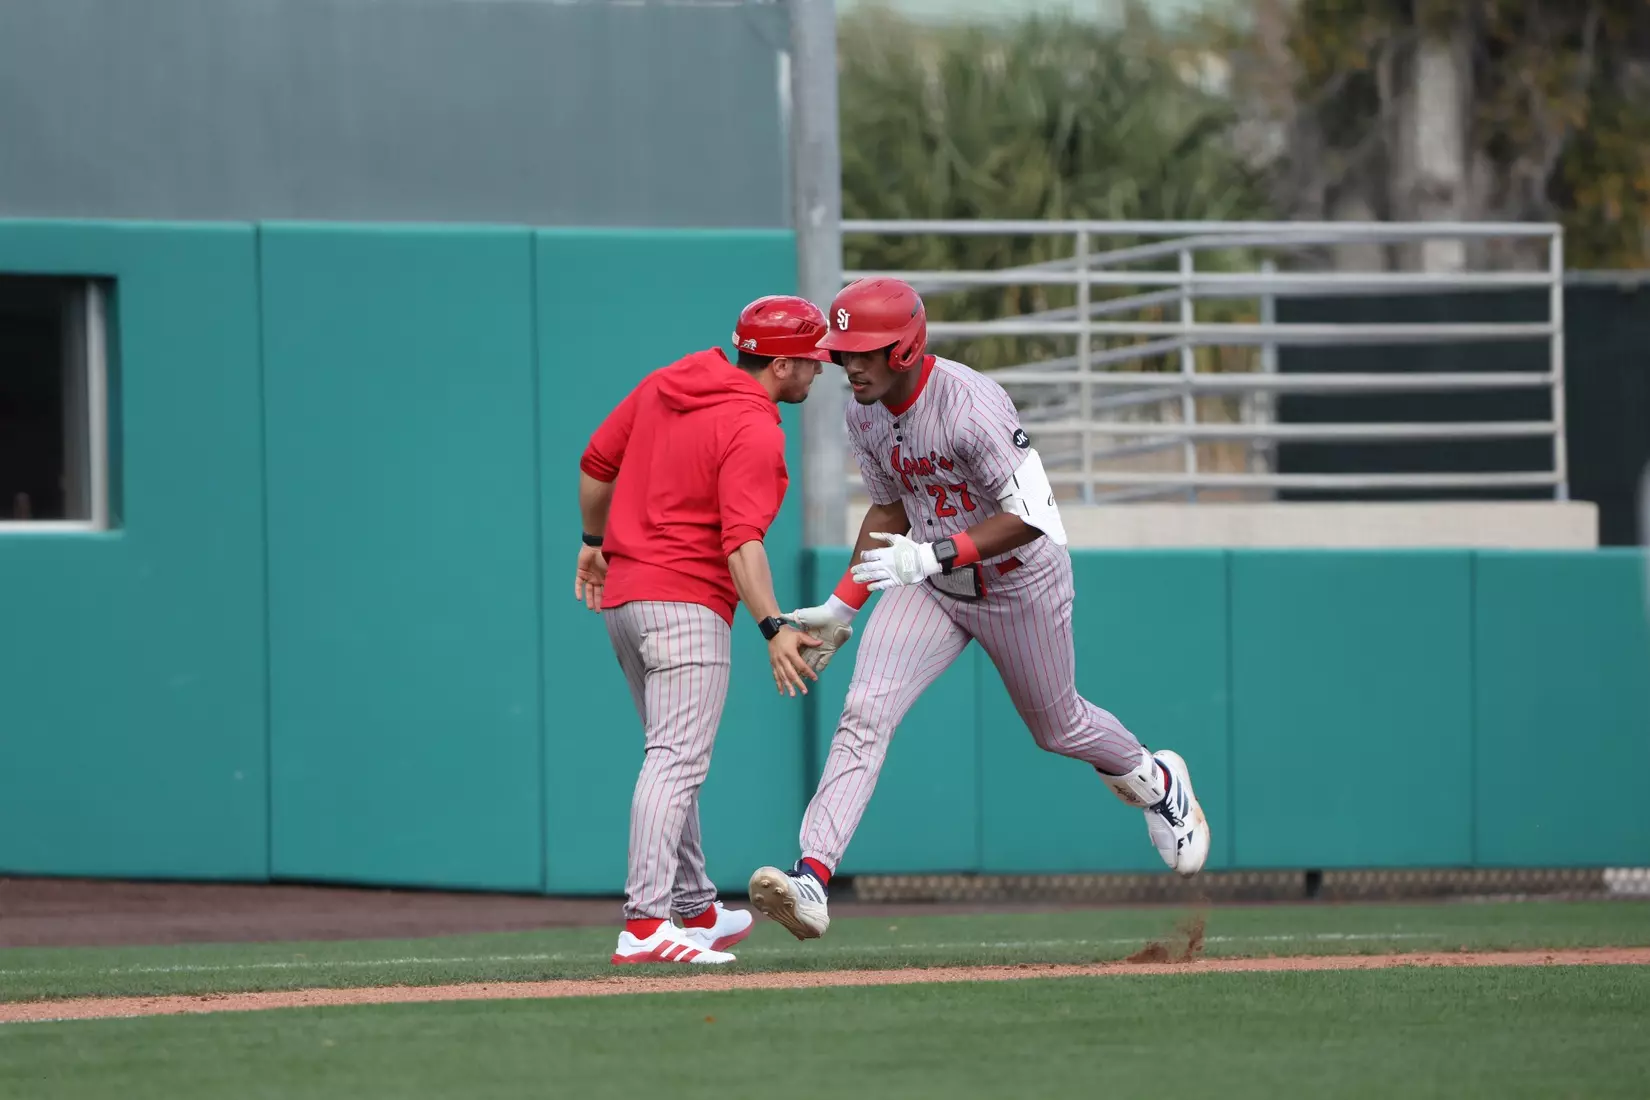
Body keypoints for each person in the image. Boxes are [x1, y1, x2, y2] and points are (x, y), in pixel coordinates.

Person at [747, 277, 1212, 940]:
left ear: (905, 349)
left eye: (865, 351)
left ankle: (1158, 780)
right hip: (934, 587)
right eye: (844, 351)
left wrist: (933, 555)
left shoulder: (970, 404)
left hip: (1017, 583)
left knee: (1060, 728)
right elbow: (888, 508)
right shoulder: (863, 410)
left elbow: (1036, 517)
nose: (850, 364)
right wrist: (841, 604)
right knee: (863, 714)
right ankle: (812, 878)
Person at [577, 295, 830, 964]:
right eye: (811, 363)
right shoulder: (755, 427)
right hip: (685, 602)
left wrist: (591, 541)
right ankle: (644, 926)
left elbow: (596, 463)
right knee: (675, 762)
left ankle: (694, 907)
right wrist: (773, 626)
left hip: (627, 601)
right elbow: (742, 544)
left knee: (671, 756)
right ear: (780, 364)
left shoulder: (670, 380)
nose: (819, 373)